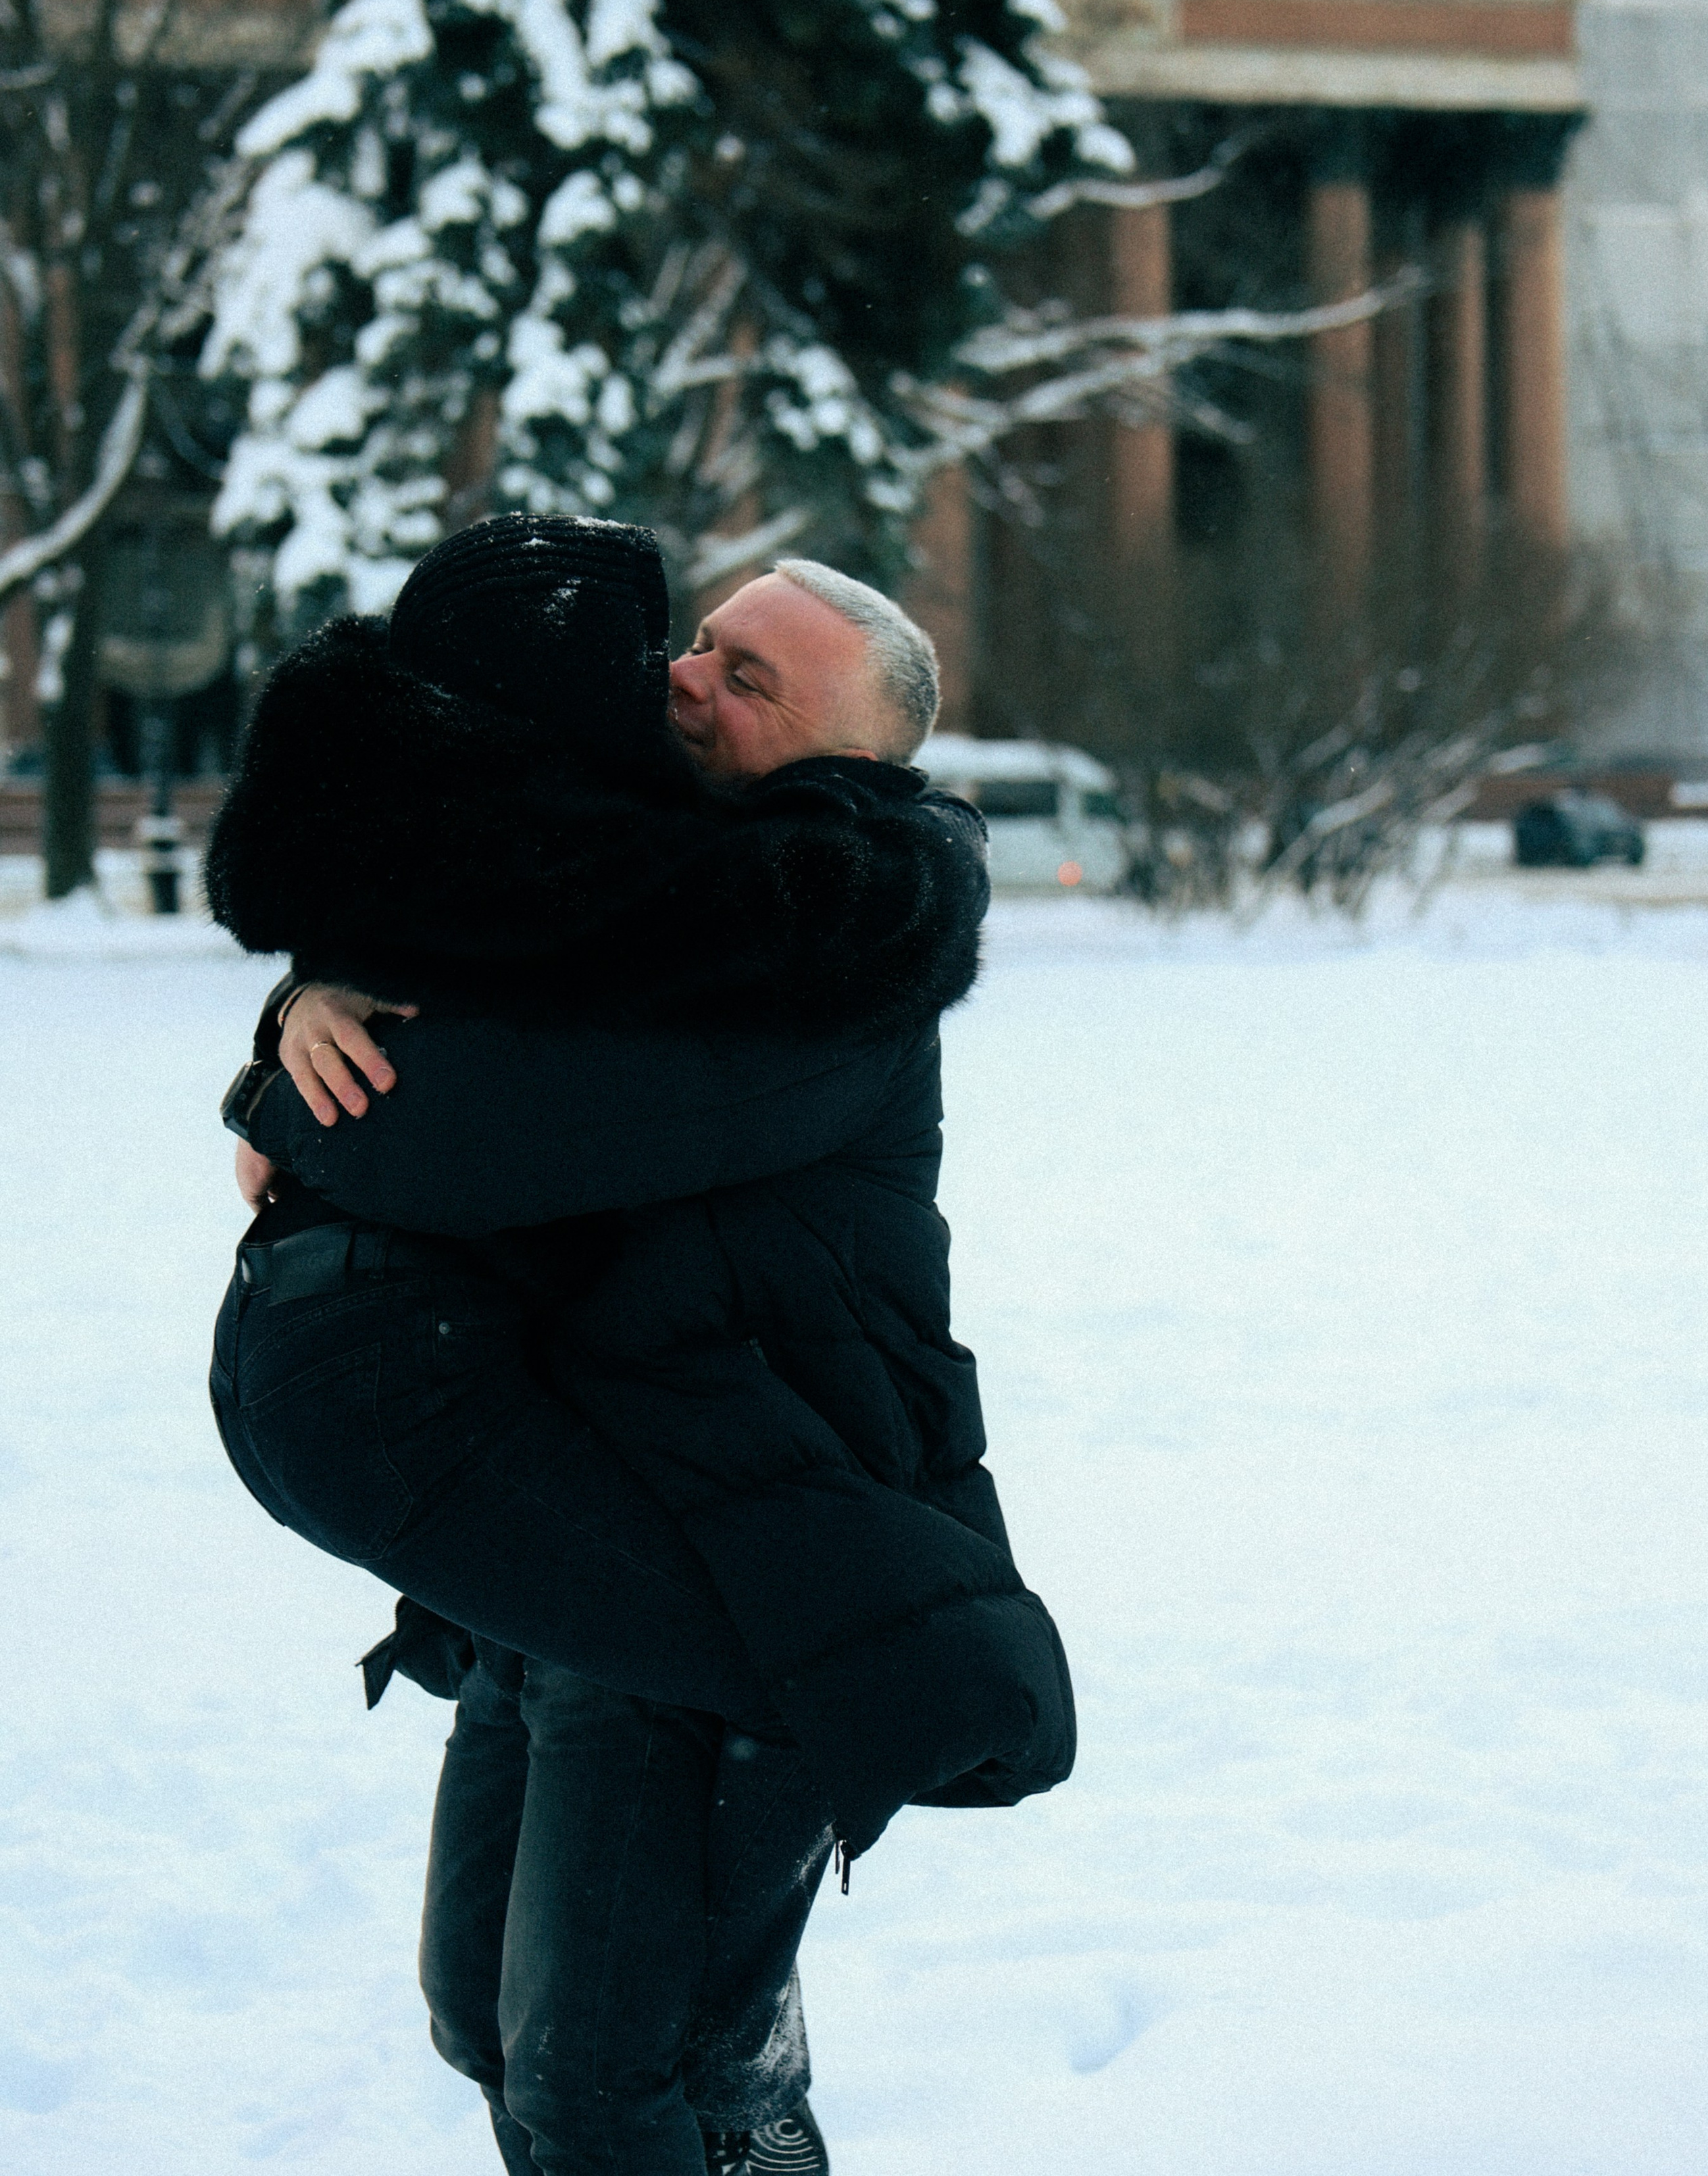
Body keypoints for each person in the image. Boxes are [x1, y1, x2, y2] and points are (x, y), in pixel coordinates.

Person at [209, 518, 1074, 2174]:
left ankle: (740, 2080)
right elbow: (456, 956)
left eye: (745, 681)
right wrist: (308, 996)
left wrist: (283, 1099)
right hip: (611, 1483)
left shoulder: (831, 933)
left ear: (847, 761)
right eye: (699, 641)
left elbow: (466, 1127)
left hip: (752, 1519)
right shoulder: (659, 888)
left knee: (606, 2073)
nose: (682, 681)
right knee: (487, 2015)